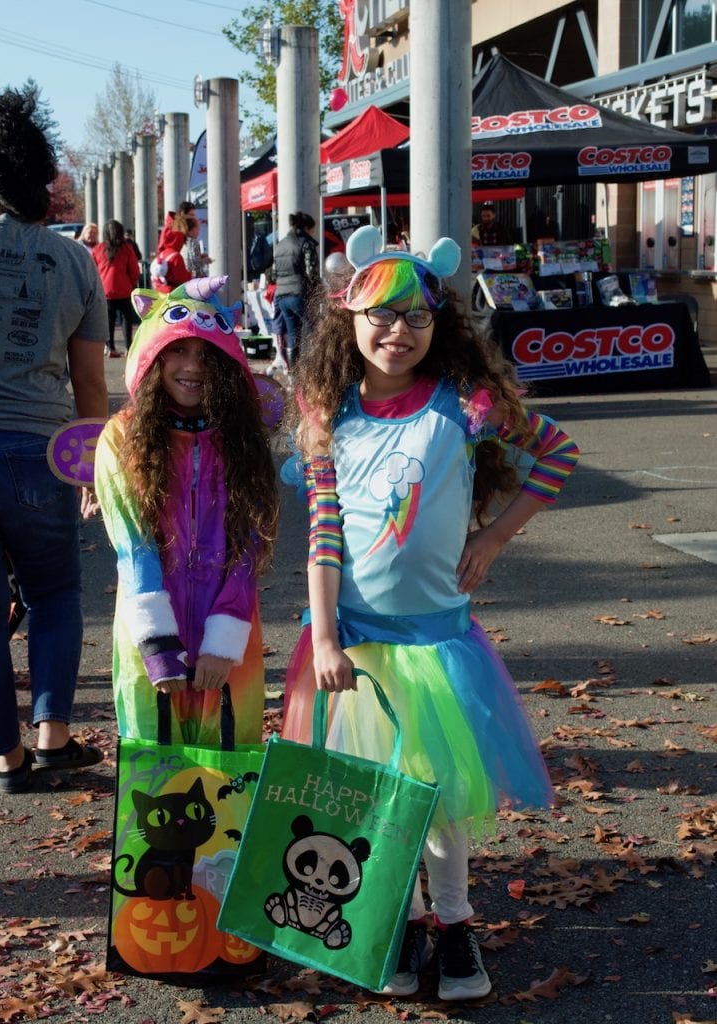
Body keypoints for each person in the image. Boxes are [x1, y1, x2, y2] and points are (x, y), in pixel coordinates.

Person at [281, 225, 580, 1001]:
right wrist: (322, 633)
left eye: (417, 316)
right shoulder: (329, 415)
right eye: (380, 314)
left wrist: (494, 535)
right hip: (354, 649)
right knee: (379, 797)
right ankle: (404, 920)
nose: (398, 331)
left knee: (442, 797)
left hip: (439, 646)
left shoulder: (466, 404)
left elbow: (557, 452)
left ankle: (454, 927)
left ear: (438, 326)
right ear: (347, 321)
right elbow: (322, 533)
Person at [0, 87, 108, 793]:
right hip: (37, 445)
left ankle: (7, 758)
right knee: (54, 591)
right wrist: (95, 467)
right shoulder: (75, 262)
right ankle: (53, 736)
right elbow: (90, 382)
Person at [94, 277, 279, 746]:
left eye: (207, 355)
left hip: (230, 636)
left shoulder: (241, 438)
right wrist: (157, 644)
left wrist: (225, 636)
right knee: (155, 787)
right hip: (151, 635)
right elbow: (133, 543)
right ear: (153, 354)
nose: (192, 367)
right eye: (178, 350)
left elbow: (253, 539)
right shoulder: (121, 437)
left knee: (229, 782)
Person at [272, 210, 319, 366]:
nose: (313, 232)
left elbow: (273, 274)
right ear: (306, 228)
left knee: (293, 335)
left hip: (281, 296)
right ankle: (317, 367)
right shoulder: (306, 243)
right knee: (316, 330)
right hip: (299, 294)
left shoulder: (280, 245)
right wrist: (317, 288)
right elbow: (311, 272)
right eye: (312, 229)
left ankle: (294, 373)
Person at [92, 219, 141, 357]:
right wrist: (131, 284)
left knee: (108, 321)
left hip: (105, 291)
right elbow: (135, 270)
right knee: (127, 320)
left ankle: (110, 347)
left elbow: (92, 271)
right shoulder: (126, 249)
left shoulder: (98, 249)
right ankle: (128, 347)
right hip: (124, 290)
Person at [150, 211, 190, 294]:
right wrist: (190, 275)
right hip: (173, 295)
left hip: (161, 294)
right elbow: (182, 280)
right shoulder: (176, 257)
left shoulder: (161, 254)